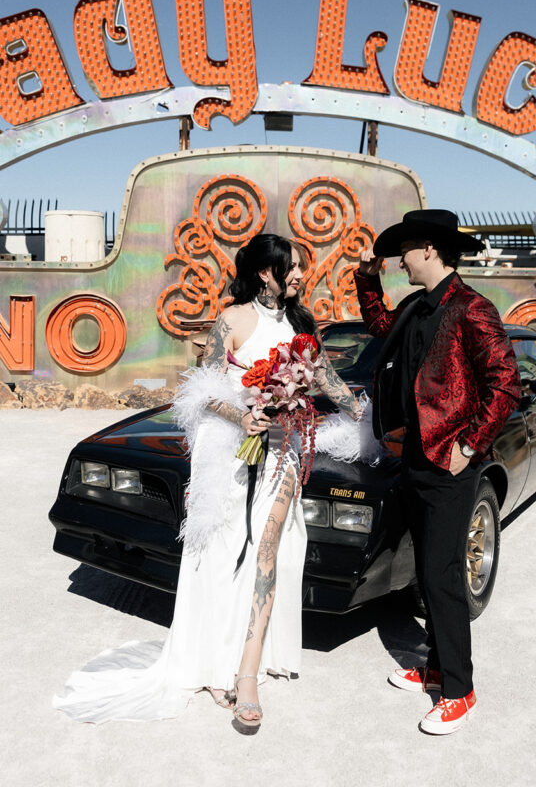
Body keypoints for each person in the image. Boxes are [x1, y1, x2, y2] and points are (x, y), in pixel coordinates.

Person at [54, 233, 378, 727]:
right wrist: (240, 416)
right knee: (222, 548)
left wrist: (365, 418)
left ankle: (247, 672)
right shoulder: (231, 319)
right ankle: (211, 656)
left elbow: (325, 379)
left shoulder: (302, 324)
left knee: (271, 546)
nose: (299, 275)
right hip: (229, 450)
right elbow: (202, 391)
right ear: (266, 273)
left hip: (283, 452)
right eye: (290, 267)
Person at [354, 209, 521, 736]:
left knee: (444, 575)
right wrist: (367, 278)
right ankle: (434, 663)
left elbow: (506, 383)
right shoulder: (415, 305)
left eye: (405, 248)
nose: (400, 257)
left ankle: (459, 689)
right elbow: (380, 328)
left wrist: (470, 446)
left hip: (451, 462)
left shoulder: (473, 308)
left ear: (429, 249)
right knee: (427, 572)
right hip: (415, 457)